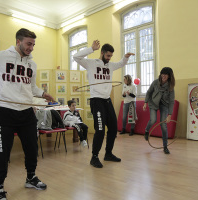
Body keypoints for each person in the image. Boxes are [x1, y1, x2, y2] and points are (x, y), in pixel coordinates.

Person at [0, 28, 54, 200]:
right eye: (28, 44)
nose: (31, 47)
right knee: (2, 153)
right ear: (18, 41)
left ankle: (31, 177)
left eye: (33, 44)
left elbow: (31, 87)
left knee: (32, 149)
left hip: (26, 113)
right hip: (5, 113)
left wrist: (42, 93)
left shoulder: (32, 64)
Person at [73, 40, 134, 168]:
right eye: (107, 56)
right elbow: (76, 57)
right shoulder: (91, 63)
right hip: (96, 101)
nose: (109, 58)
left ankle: (108, 154)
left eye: (111, 56)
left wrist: (125, 57)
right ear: (102, 53)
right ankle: (94, 157)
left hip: (107, 100)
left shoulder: (110, 65)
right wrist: (91, 49)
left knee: (113, 128)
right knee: (100, 130)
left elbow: (121, 63)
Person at [143, 67, 175, 154]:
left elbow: (172, 101)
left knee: (163, 125)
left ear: (169, 76)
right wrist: (145, 102)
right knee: (153, 120)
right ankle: (146, 131)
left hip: (164, 105)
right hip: (153, 103)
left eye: (166, 74)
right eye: (162, 74)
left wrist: (170, 114)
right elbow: (149, 92)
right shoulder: (155, 82)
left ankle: (165, 146)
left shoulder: (170, 86)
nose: (163, 76)